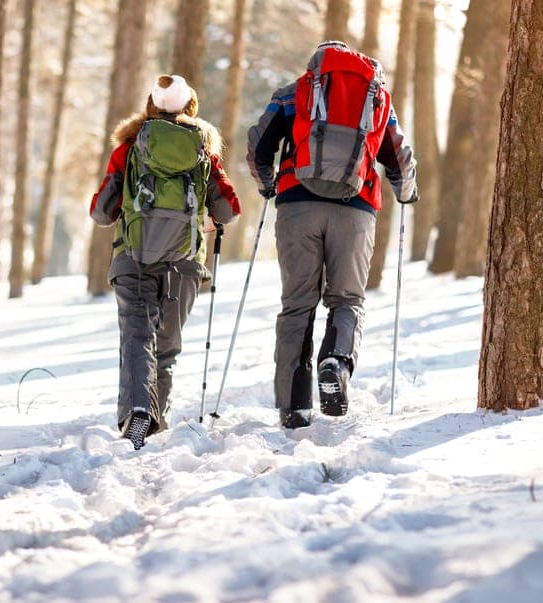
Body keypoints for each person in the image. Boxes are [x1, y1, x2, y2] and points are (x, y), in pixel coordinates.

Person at [246, 41, 418, 429]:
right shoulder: (376, 98)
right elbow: (400, 156)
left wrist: (268, 184)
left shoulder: (292, 94)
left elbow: (259, 145)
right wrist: (407, 193)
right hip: (356, 210)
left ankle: (294, 407)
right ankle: (335, 362)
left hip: (296, 206)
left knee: (297, 305)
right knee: (347, 299)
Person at [90, 74, 241, 449]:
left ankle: (138, 412)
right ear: (192, 106)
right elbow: (230, 208)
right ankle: (155, 419)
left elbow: (102, 213)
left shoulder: (128, 148)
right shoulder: (204, 151)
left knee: (137, 337)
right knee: (167, 344)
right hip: (184, 262)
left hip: (134, 256)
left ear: (150, 106)